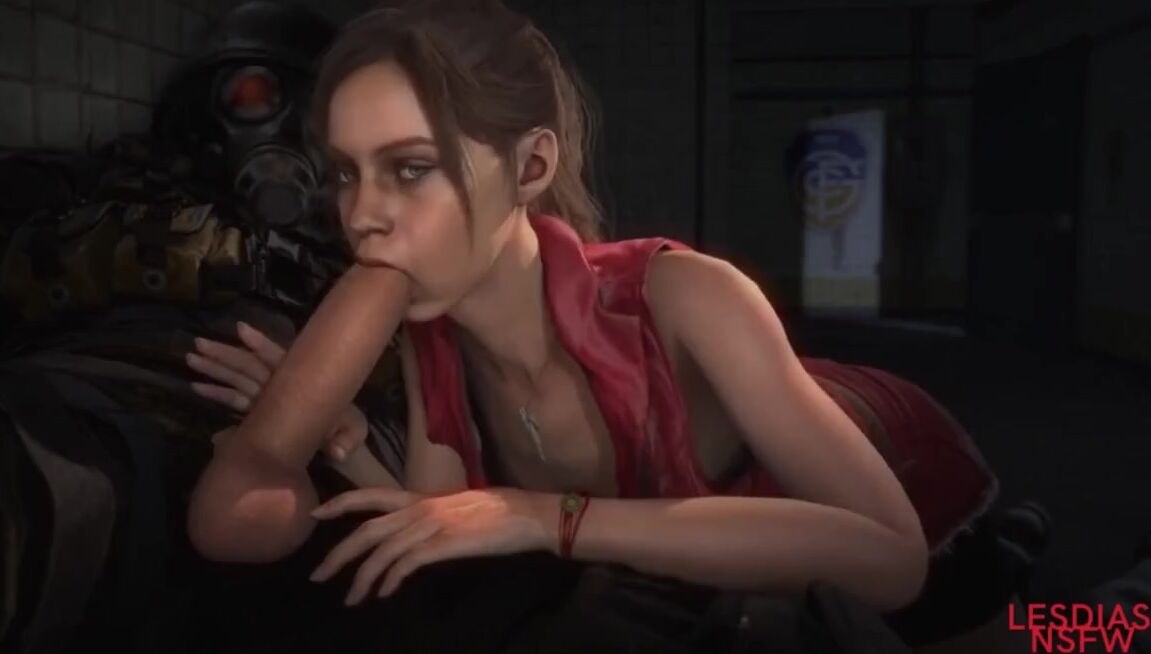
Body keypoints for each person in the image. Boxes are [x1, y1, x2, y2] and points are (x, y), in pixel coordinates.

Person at [184, 0, 1004, 650]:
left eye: (410, 168)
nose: (361, 214)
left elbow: (890, 559)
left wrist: (542, 516)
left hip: (913, 484)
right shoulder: (436, 334)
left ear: (531, 166)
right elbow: (435, 521)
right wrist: (337, 438)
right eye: (345, 173)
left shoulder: (687, 294)